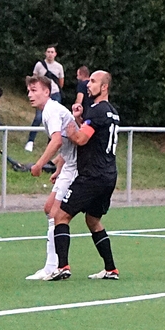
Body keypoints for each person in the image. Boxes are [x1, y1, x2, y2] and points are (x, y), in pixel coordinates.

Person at [47, 70, 121, 281]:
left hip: (92, 175)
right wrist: (80, 119)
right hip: (108, 174)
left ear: (104, 87)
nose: (88, 85)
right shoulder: (112, 112)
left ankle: (62, 266)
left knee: (60, 216)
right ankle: (111, 269)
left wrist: (69, 125)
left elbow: (80, 139)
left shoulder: (97, 110)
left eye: (93, 82)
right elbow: (93, 135)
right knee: (93, 220)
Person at [23, 75, 78, 280]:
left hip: (79, 168)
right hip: (69, 166)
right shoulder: (50, 110)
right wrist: (59, 168)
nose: (30, 95)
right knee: (49, 210)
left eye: (34, 90)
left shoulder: (51, 110)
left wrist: (39, 164)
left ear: (47, 92)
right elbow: (66, 143)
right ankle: (52, 265)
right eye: (29, 91)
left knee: (56, 214)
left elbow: (56, 141)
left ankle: (53, 267)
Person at [25, 46, 65, 152]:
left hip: (55, 94)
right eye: (48, 52)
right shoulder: (39, 65)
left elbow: (61, 82)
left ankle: (51, 143)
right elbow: (33, 80)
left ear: (55, 54)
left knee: (54, 119)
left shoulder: (59, 67)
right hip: (41, 94)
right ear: (45, 53)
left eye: (52, 52)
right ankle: (30, 141)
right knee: (38, 117)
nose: (50, 54)